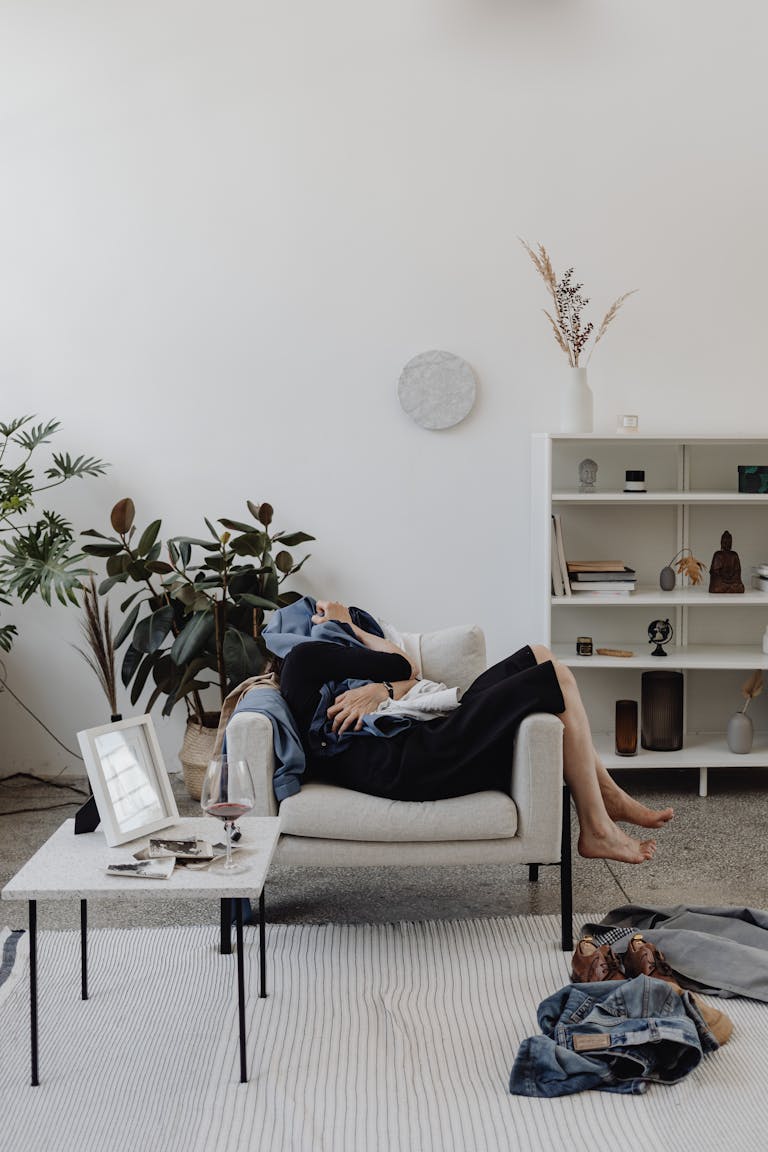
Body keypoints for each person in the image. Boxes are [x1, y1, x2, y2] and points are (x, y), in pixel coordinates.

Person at [275, 600, 674, 866]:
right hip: (407, 761)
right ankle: (596, 828)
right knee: (559, 679)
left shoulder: (333, 682)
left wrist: (381, 690)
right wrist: (347, 625)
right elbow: (401, 665)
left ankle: (606, 794)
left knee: (540, 655)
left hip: (413, 746)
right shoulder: (304, 658)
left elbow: (404, 674)